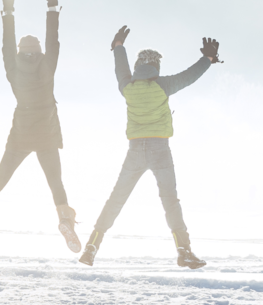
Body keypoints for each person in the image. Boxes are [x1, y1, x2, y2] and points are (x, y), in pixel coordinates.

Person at [79, 27, 222, 270]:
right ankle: (183, 251)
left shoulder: (127, 87)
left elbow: (120, 69)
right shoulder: (163, 85)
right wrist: (208, 58)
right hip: (160, 149)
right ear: (156, 67)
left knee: (116, 199)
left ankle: (91, 247)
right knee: (170, 201)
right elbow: (190, 76)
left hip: (134, 151)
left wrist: (118, 46)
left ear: (137, 67)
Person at [0, 0, 79, 259]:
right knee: (56, 183)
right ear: (39, 52)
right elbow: (54, 40)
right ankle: (65, 221)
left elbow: (6, 43)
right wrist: (52, 6)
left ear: (18, 52)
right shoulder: (48, 64)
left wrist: (8, 9)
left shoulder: (12, 68)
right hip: (47, 132)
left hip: (20, 133)